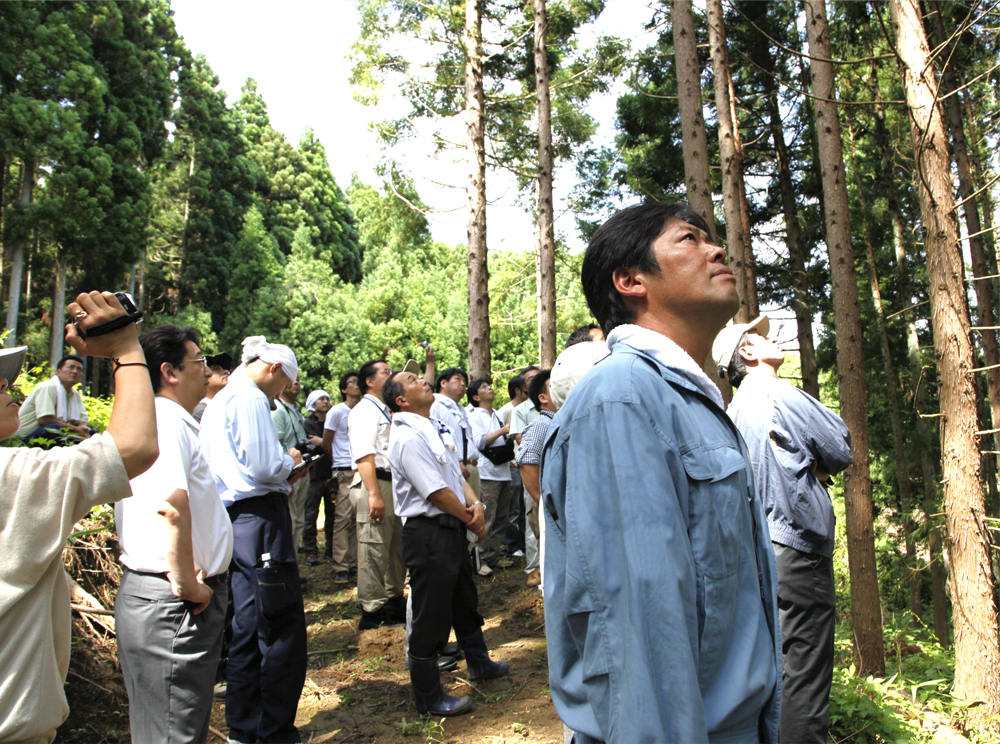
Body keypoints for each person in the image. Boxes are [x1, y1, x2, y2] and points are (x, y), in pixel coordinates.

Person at [541, 201, 781, 743]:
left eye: (711, 238)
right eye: (689, 239)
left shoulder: (685, 398)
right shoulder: (622, 399)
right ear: (629, 280)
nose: (717, 248)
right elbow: (636, 627)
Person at [0, 291, 158, 744]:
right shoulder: (14, 478)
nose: (12, 390)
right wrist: (125, 347)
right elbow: (134, 446)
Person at [714, 315, 851, 744]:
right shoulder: (779, 393)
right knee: (805, 674)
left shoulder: (730, 413)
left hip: (752, 553)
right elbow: (840, 447)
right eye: (759, 335)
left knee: (772, 667)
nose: (771, 337)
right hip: (795, 549)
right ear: (748, 354)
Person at [115, 326, 234, 743]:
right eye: (200, 361)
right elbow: (170, 505)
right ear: (169, 370)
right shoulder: (164, 420)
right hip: (175, 603)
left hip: (175, 601)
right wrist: (190, 586)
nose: (208, 370)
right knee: (171, 732)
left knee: (177, 726)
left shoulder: (171, 421)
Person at [200, 336, 309, 744]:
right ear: (274, 369)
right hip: (260, 518)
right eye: (284, 386)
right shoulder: (249, 400)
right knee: (277, 625)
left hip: (236, 519)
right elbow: (264, 466)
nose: (282, 394)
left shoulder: (223, 399)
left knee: (247, 623)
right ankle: (273, 730)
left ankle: (244, 726)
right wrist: (291, 460)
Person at [383, 368, 509, 717]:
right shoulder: (407, 438)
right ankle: (427, 696)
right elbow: (436, 492)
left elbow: (455, 476)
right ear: (402, 400)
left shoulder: (432, 429)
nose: (423, 380)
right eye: (412, 381)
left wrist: (477, 506)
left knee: (463, 599)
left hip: (452, 526)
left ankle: (479, 662)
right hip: (429, 533)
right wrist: (469, 517)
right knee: (431, 613)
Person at [348, 359, 406, 629]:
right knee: (373, 547)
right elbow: (364, 454)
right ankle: (372, 611)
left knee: (396, 546)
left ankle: (395, 601)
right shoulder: (364, 411)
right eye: (386, 372)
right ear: (369, 382)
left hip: (392, 483)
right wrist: (373, 494)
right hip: (375, 482)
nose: (391, 375)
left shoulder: (386, 410)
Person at [467, 377, 512, 576]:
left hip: (503, 472)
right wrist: (502, 431)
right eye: (484, 388)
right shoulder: (474, 415)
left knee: (501, 518)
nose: (490, 389)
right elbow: (478, 443)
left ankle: (493, 557)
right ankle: (481, 560)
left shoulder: (495, 414)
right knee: (487, 518)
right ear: (476, 397)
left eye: (489, 385)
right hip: (487, 473)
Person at [515, 370, 554, 589]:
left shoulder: (558, 420)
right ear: (543, 397)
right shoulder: (541, 425)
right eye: (553, 385)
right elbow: (526, 461)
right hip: (546, 505)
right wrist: (543, 502)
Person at [322, 371, 361, 584]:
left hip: (361, 467)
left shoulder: (365, 410)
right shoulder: (337, 411)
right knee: (343, 518)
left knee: (358, 517)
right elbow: (326, 442)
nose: (357, 385)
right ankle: (340, 565)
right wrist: (337, 462)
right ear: (344, 389)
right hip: (344, 469)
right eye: (352, 382)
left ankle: (354, 562)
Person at [272, 376, 311, 556]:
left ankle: (293, 563)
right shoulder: (278, 410)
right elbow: (277, 444)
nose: (296, 383)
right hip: (290, 472)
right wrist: (286, 479)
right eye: (291, 379)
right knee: (292, 519)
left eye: (298, 380)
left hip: (301, 469)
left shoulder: (295, 410)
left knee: (299, 519)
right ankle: (288, 565)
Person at [17, 355, 94, 442]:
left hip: (53, 433)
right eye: (71, 367)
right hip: (24, 438)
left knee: (92, 433)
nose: (75, 371)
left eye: (79, 369)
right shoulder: (48, 386)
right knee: (54, 428)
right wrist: (76, 429)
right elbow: (45, 420)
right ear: (58, 372)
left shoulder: (74, 394)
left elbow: (82, 420)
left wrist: (82, 429)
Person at [301, 390, 333, 566]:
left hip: (331, 473)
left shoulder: (331, 423)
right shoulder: (306, 424)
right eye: (321, 399)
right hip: (314, 475)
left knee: (333, 513)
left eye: (327, 398)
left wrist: (322, 442)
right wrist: (324, 444)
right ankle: (310, 550)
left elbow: (329, 444)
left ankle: (332, 548)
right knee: (311, 513)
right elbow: (310, 447)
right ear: (312, 404)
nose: (325, 402)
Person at [498, 375, 527, 559]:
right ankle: (512, 545)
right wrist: (508, 457)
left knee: (526, 507)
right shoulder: (505, 411)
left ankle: (525, 543)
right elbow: (498, 437)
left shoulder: (529, 408)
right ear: (518, 389)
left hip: (527, 464)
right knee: (514, 509)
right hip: (514, 465)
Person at [193, 351, 232, 422]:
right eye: (216, 369)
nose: (226, 372)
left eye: (227, 369)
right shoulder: (201, 411)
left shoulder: (229, 408)